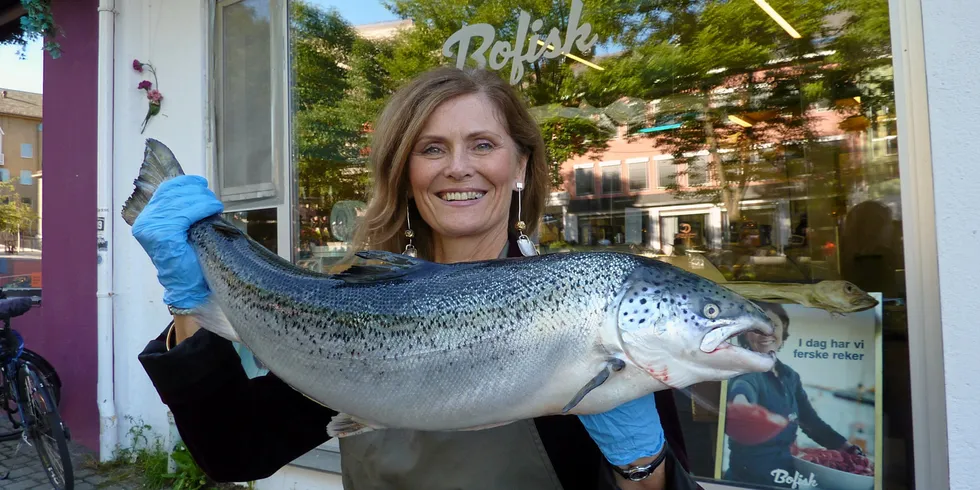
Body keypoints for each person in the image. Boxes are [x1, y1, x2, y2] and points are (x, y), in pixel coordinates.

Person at [134, 66, 701, 490]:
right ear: (406, 175)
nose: (459, 167)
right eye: (433, 149)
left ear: (521, 165)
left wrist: (638, 457)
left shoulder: (595, 309)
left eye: (483, 144)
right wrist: (192, 302)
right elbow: (236, 452)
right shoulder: (356, 306)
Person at [723, 301, 863, 487]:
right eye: (756, 327)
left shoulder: (789, 376)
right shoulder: (744, 372)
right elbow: (741, 391)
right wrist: (742, 408)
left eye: (773, 325)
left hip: (786, 475)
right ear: (744, 334)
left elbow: (811, 422)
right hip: (750, 480)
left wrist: (848, 448)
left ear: (783, 330)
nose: (766, 333)